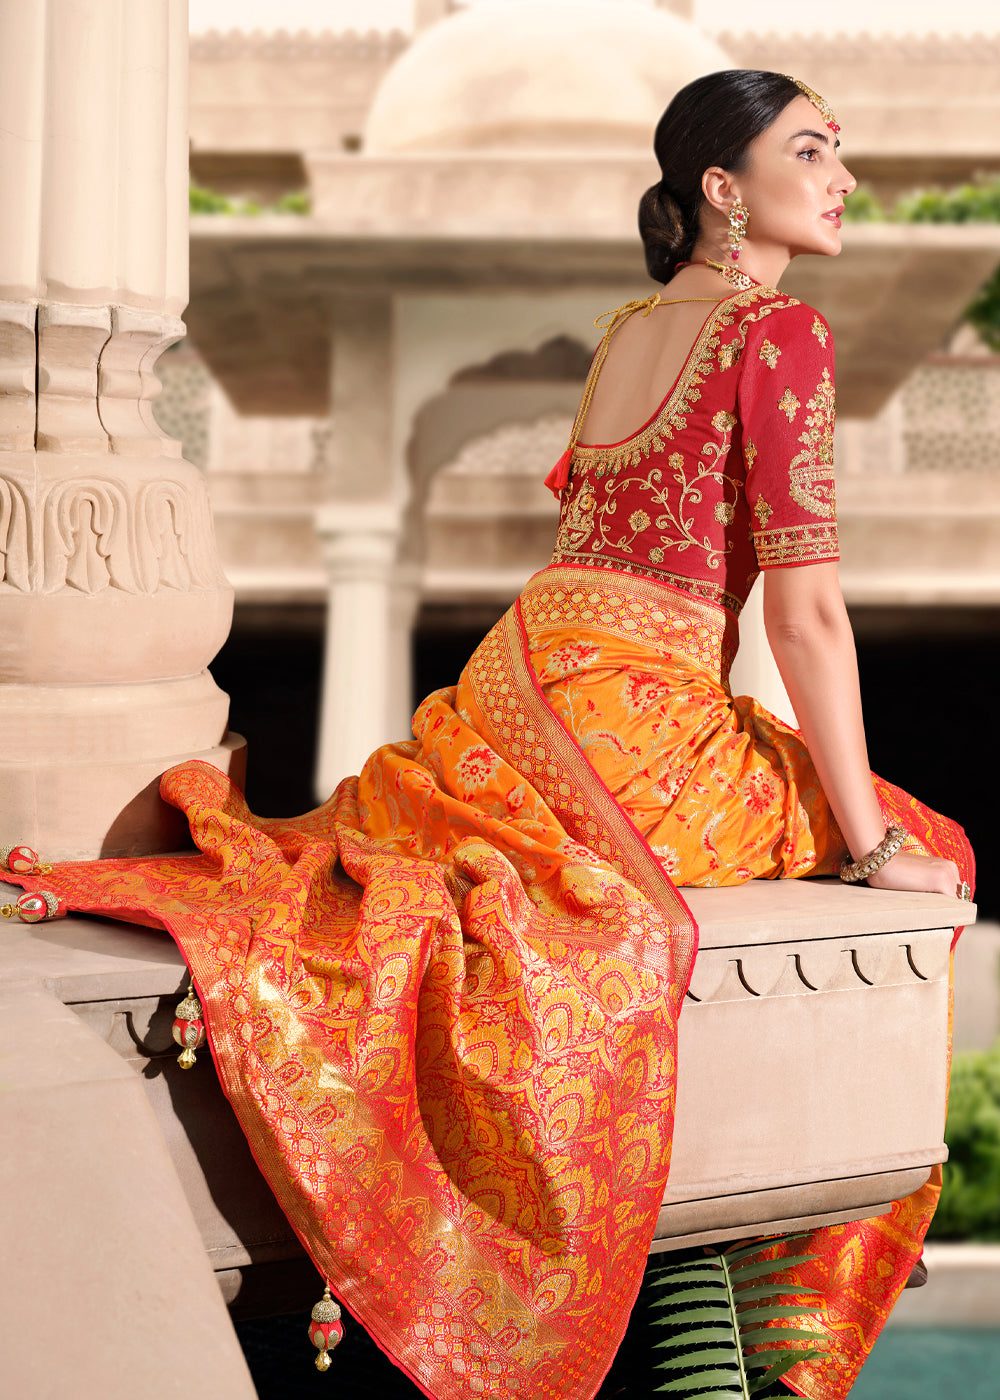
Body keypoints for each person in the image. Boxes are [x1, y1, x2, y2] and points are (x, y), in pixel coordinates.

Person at [5, 71, 974, 1400]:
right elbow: (805, 619)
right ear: (722, 186)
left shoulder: (633, 325)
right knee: (929, 839)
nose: (843, 176)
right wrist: (868, 858)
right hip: (640, 726)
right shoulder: (778, 334)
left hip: (516, 694)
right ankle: (780, 1333)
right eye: (812, 149)